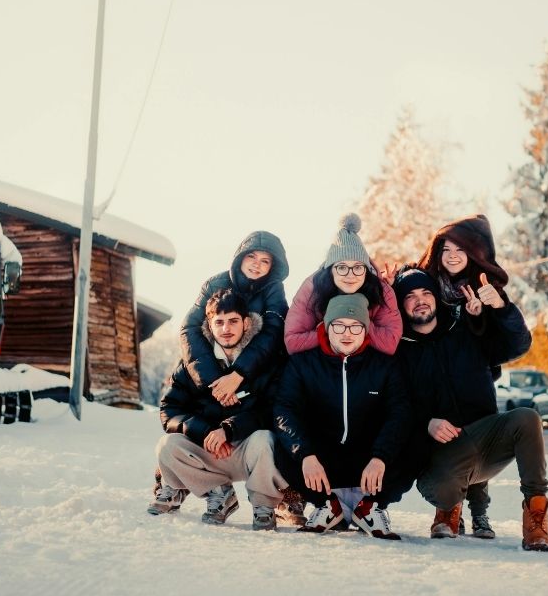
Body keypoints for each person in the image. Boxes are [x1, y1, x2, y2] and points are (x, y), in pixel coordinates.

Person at [393, 266, 548, 551]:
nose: (420, 300)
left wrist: (500, 308)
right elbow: (394, 406)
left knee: (527, 418)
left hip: (486, 439)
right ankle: (448, 507)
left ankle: (536, 517)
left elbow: (517, 344)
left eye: (426, 293)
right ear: (400, 303)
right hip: (442, 455)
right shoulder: (399, 351)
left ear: (436, 297)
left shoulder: (466, 329)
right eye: (410, 296)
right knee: (443, 490)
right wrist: (426, 423)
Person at [179, 229, 304, 526]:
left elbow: (273, 333)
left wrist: (239, 375)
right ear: (240, 258)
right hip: (215, 365)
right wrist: (214, 381)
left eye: (265, 260)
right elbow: (190, 329)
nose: (257, 264)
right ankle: (186, 482)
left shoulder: (274, 291)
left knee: (277, 417)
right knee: (187, 412)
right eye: (252, 257)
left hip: (255, 371)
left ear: (274, 267)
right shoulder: (215, 283)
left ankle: (284, 492)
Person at [274, 293, 413, 539]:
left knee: (416, 439)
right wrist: (305, 454)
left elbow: (399, 413)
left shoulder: (384, 365)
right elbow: (285, 411)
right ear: (327, 328)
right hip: (323, 462)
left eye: (355, 326)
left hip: (368, 463)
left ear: (365, 330)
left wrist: (380, 456)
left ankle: (370, 508)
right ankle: (327, 506)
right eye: (338, 325)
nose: (347, 333)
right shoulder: (302, 364)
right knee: (280, 444)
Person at [149, 289, 289, 530]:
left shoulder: (264, 362)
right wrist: (203, 431)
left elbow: (273, 410)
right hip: (208, 449)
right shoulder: (193, 364)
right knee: (167, 445)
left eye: (233, 321)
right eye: (219, 322)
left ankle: (263, 505)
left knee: (266, 439)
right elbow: (169, 409)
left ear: (246, 323)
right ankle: (219, 493)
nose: (226, 329)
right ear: (210, 325)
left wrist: (229, 430)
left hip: (247, 450)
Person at [414, 214, 510, 538]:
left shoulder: (483, 286)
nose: (452, 256)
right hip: (442, 383)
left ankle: (480, 513)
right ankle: (450, 507)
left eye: (460, 249)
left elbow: (497, 342)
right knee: (451, 447)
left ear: (472, 253)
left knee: (477, 446)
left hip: (475, 383)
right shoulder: (430, 283)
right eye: (446, 250)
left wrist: (482, 314)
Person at [284, 213, 402, 355]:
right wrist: (330, 326)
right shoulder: (312, 287)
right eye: (342, 267)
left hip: (366, 361)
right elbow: (293, 341)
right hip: (324, 361)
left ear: (366, 270)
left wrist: (358, 319)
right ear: (331, 270)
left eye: (358, 267)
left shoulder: (382, 290)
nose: (350, 275)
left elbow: (390, 342)